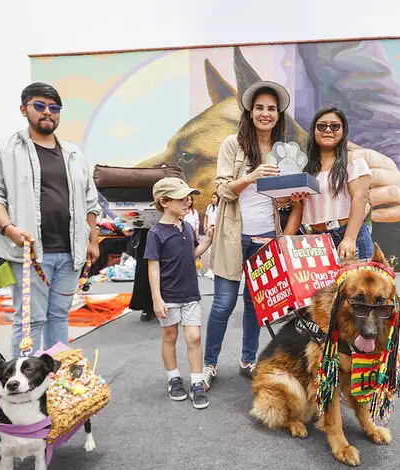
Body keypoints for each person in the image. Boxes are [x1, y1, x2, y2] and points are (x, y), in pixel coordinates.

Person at [0, 82, 100, 358]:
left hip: (71, 253)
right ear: (23, 109)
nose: (47, 113)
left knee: (59, 317)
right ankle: (24, 387)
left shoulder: (74, 155)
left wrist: (93, 238)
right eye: (39, 106)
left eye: (54, 108)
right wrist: (8, 228)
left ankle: (57, 382)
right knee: (30, 321)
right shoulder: (4, 148)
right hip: (28, 252)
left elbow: (90, 201)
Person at [203, 80, 289, 389]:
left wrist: (285, 198)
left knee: (256, 305)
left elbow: (280, 198)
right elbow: (223, 189)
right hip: (233, 235)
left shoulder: (282, 152)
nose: (265, 114)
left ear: (278, 115)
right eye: (260, 108)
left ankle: (247, 360)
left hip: (266, 236)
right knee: (223, 304)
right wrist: (252, 176)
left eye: (271, 109)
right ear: (250, 112)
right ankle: (209, 364)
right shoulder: (233, 144)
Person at [145, 177, 213, 409]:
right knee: (170, 337)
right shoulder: (155, 233)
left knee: (194, 337)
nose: (187, 201)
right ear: (164, 201)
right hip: (169, 295)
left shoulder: (186, 227)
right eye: (181, 198)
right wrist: (156, 298)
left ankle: (196, 381)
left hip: (191, 294)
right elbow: (153, 266)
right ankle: (173, 377)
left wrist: (208, 241)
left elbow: (192, 253)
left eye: (188, 197)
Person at [284, 106, 374, 260]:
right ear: (314, 130)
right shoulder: (306, 169)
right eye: (321, 126)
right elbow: (299, 208)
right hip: (315, 242)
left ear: (343, 131)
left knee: (352, 285)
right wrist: (283, 242)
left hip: (347, 236)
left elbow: (359, 200)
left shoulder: (353, 161)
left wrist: (349, 239)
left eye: (335, 126)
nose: (328, 130)